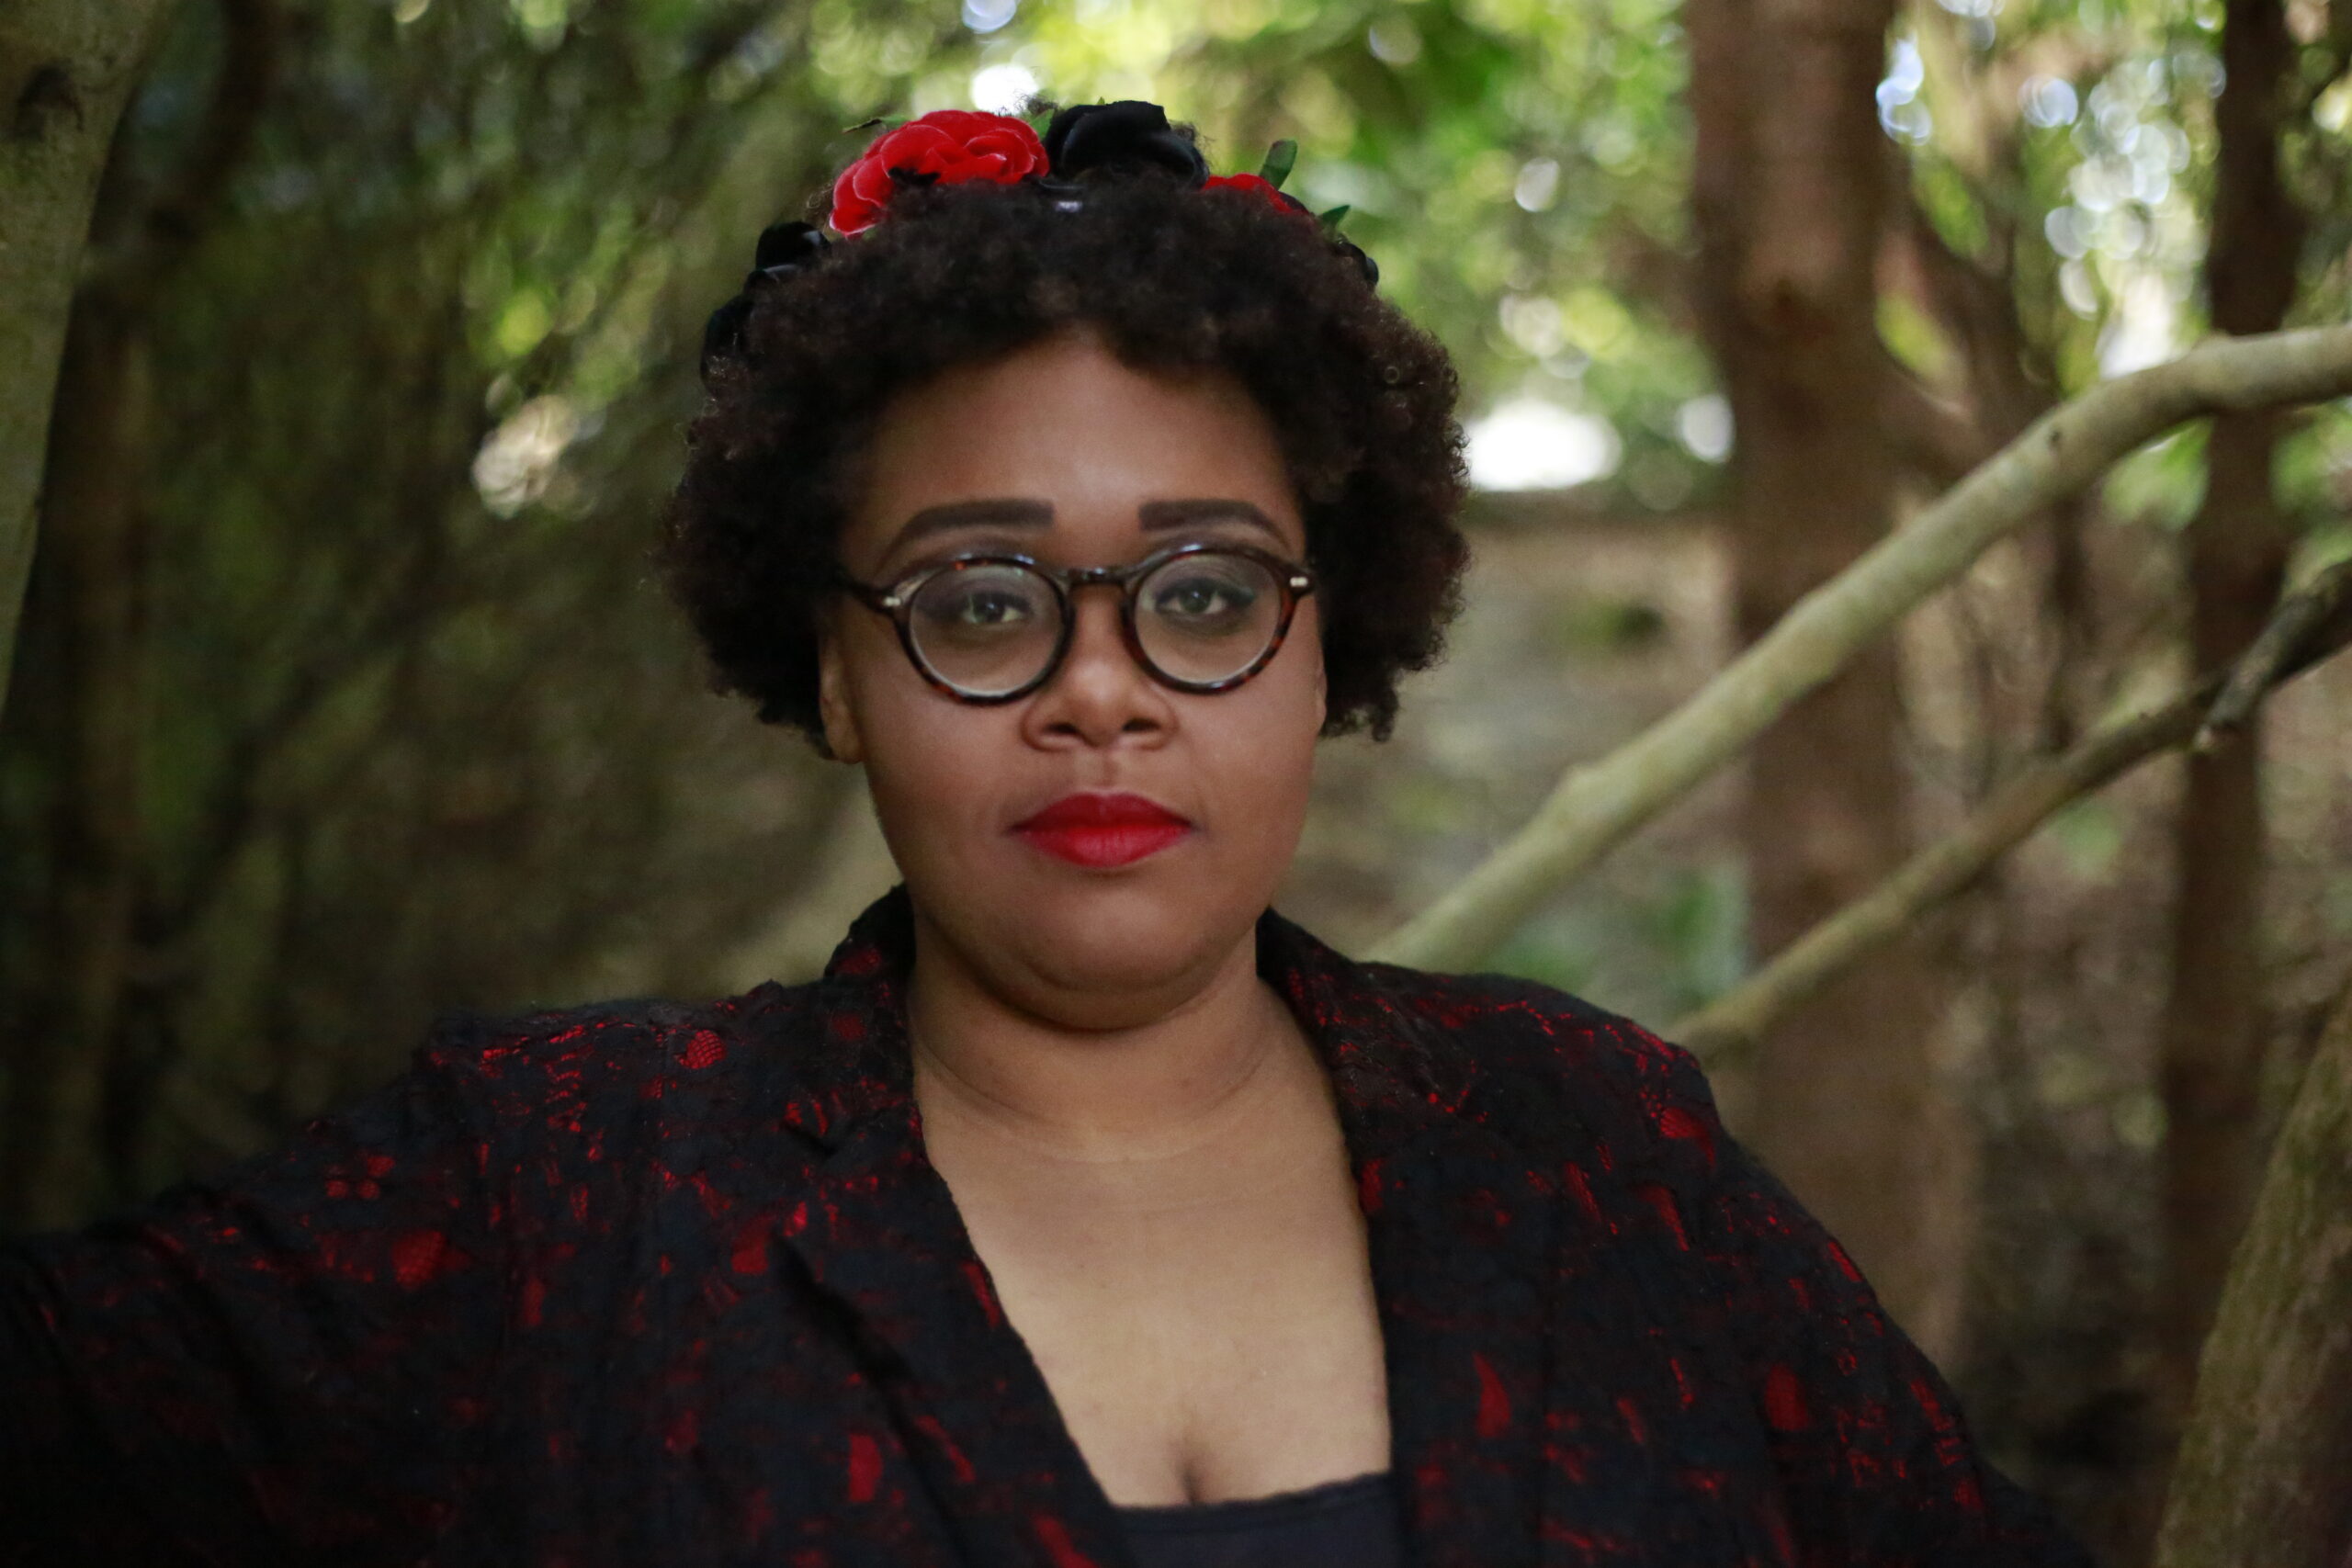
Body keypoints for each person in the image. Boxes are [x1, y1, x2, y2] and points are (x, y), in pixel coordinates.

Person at [1, 100, 2091, 1568]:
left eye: (1198, 592)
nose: (1102, 688)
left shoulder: (1599, 1151)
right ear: (832, 671)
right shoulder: (558, 1185)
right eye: (983, 600)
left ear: (1319, 641)